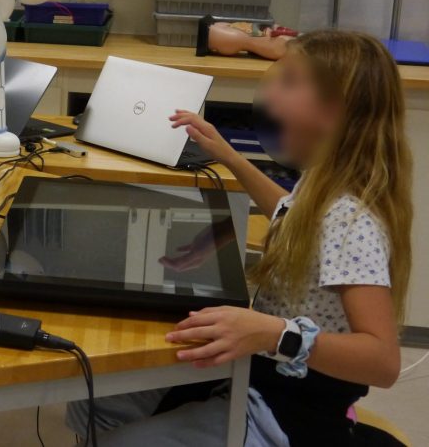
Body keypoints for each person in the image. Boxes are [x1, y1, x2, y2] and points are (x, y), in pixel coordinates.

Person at [67, 30, 412, 446]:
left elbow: (383, 362)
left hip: (287, 411)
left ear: (332, 111)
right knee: (92, 400)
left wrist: (274, 333)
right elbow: (290, 213)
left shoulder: (351, 222)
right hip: (256, 376)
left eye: (289, 81)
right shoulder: (323, 185)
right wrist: (229, 156)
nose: (272, 90)